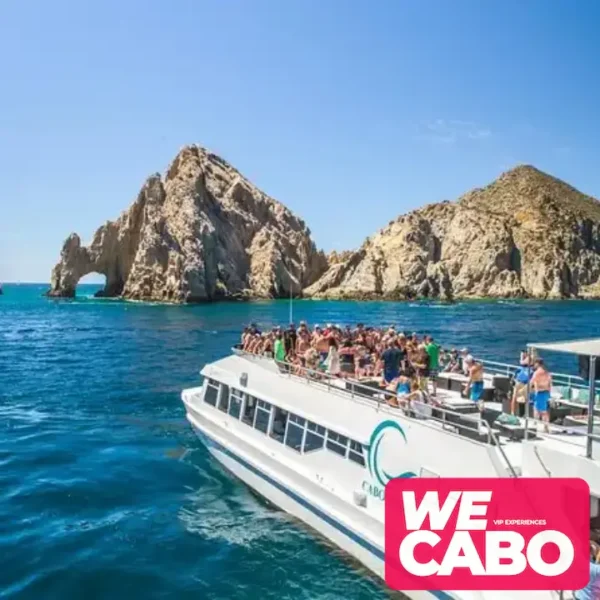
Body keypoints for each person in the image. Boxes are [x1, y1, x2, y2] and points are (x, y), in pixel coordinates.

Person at [530, 358, 552, 433]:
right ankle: (542, 425)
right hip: (546, 392)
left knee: (541, 410)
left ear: (537, 364)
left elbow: (531, 382)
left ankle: (540, 426)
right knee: (541, 409)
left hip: (539, 392)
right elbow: (550, 383)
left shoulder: (536, 373)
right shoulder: (547, 373)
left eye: (535, 364)